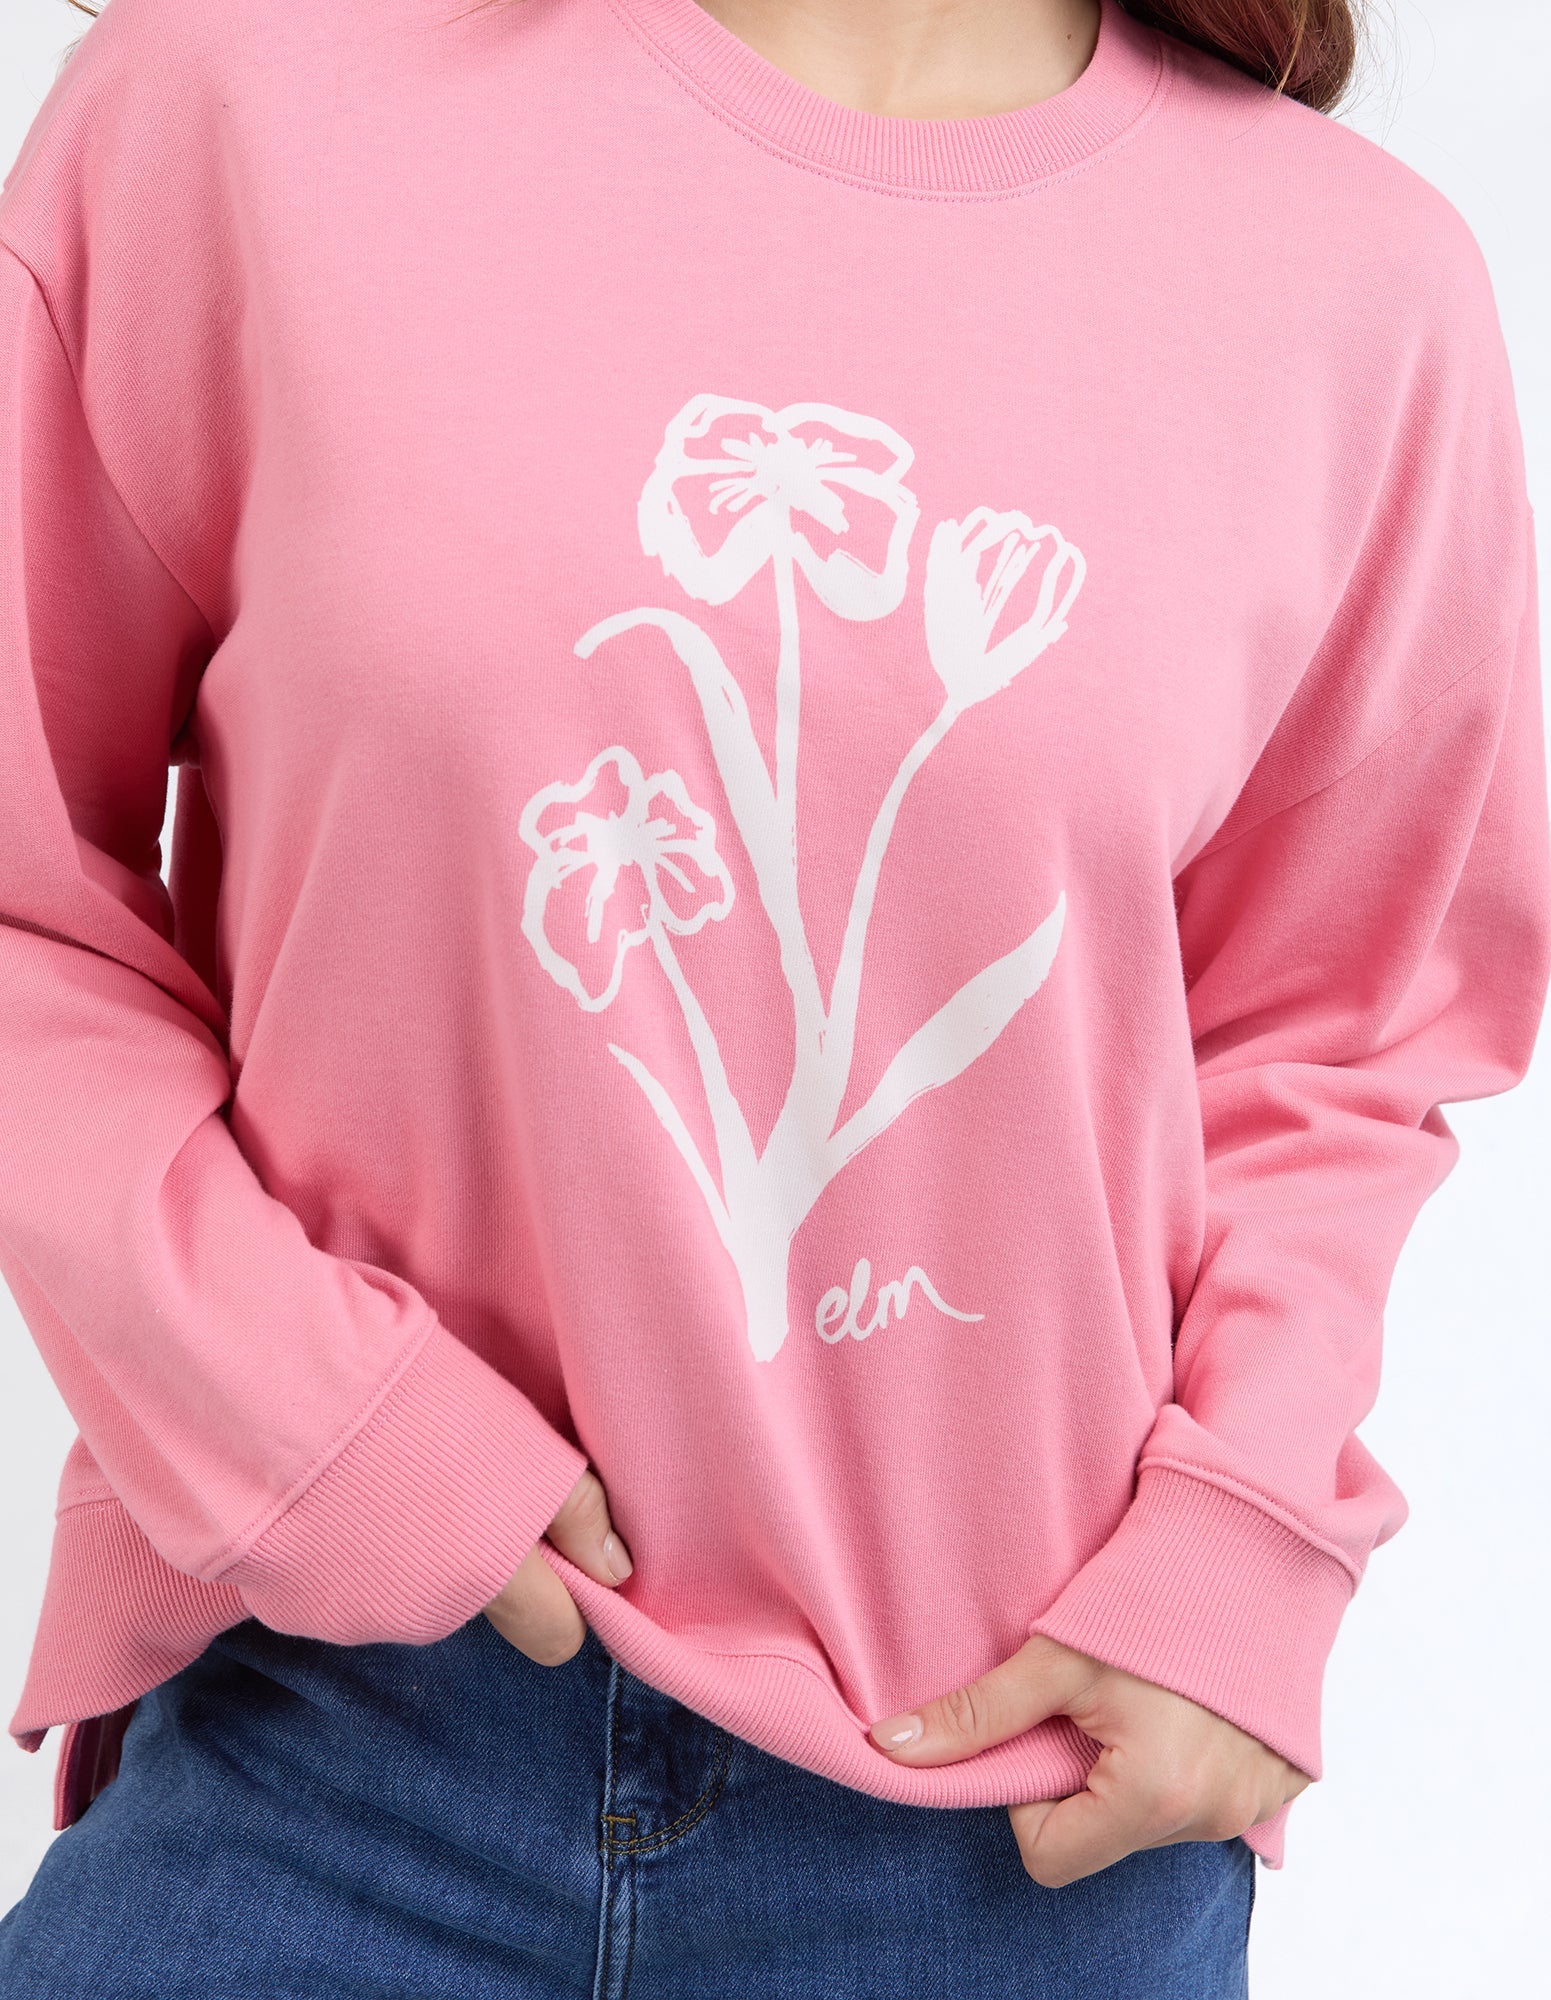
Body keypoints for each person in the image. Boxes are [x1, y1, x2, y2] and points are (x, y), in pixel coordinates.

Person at [0, 0, 1543, 1990]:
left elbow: (1342, 1034)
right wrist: (309, 1412)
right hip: (333, 1730)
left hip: (1016, 1803)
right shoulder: (241, 97)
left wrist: (1242, 1544)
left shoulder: (1353, 287)